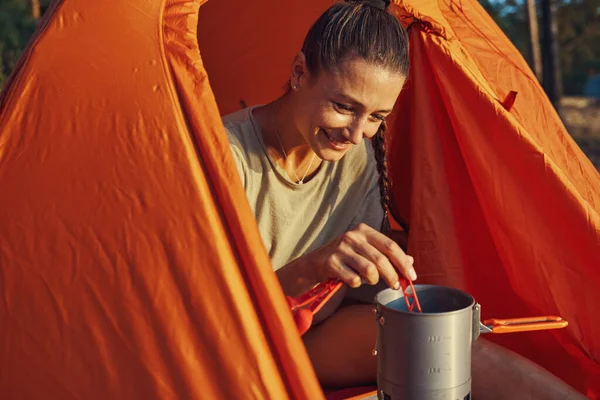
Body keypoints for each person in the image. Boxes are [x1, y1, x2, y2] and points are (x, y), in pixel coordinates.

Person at [222, 0, 586, 398]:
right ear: (299, 73)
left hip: (320, 332)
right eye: (344, 107)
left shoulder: (355, 160)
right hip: (246, 343)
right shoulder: (225, 157)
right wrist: (314, 266)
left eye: (377, 116)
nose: (358, 133)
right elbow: (214, 316)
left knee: (446, 349)